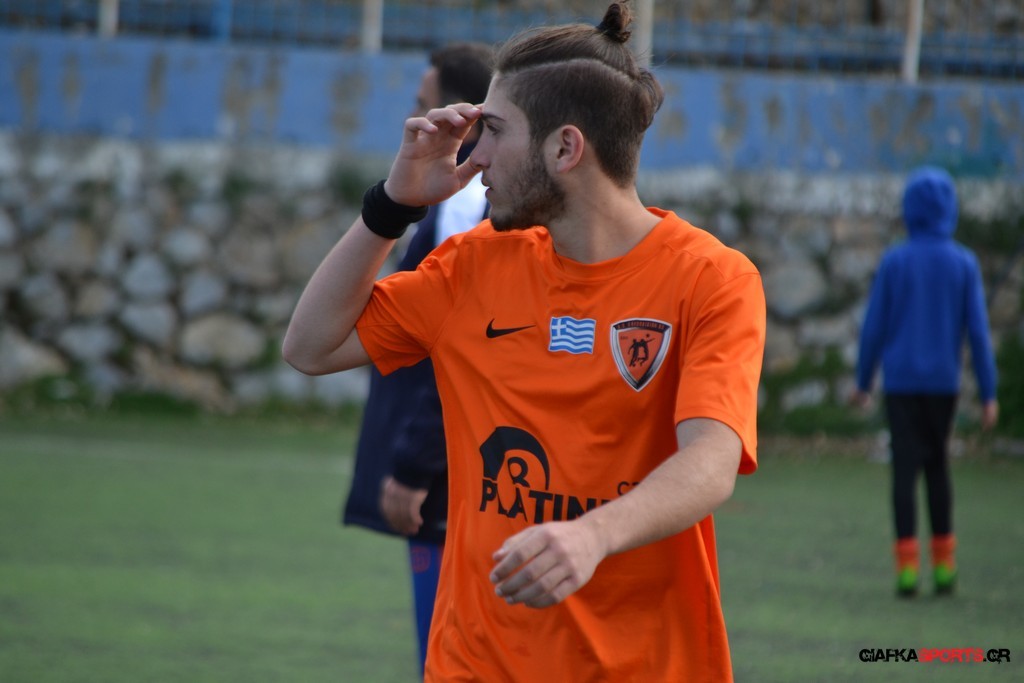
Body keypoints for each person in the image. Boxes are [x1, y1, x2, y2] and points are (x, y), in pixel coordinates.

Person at [284, 3, 765, 680]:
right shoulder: (474, 264)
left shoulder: (710, 279)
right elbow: (309, 347)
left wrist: (592, 535)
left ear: (565, 149)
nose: (473, 154)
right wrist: (393, 204)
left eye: (493, 130)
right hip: (477, 663)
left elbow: (711, 464)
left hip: (648, 665)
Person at [341, 42, 494, 673]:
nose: (416, 115)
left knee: (446, 652)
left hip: (449, 469)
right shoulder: (460, 204)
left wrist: (413, 463)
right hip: (457, 463)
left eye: (423, 102)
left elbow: (456, 350)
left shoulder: (466, 205)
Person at [852, 165, 999, 598]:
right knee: (938, 468)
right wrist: (988, 392)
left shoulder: (894, 261)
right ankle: (945, 566)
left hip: (900, 384)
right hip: (943, 385)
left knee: (904, 470)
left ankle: (906, 570)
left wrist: (863, 380)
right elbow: (978, 333)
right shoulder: (964, 263)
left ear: (909, 209)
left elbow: (873, 328)